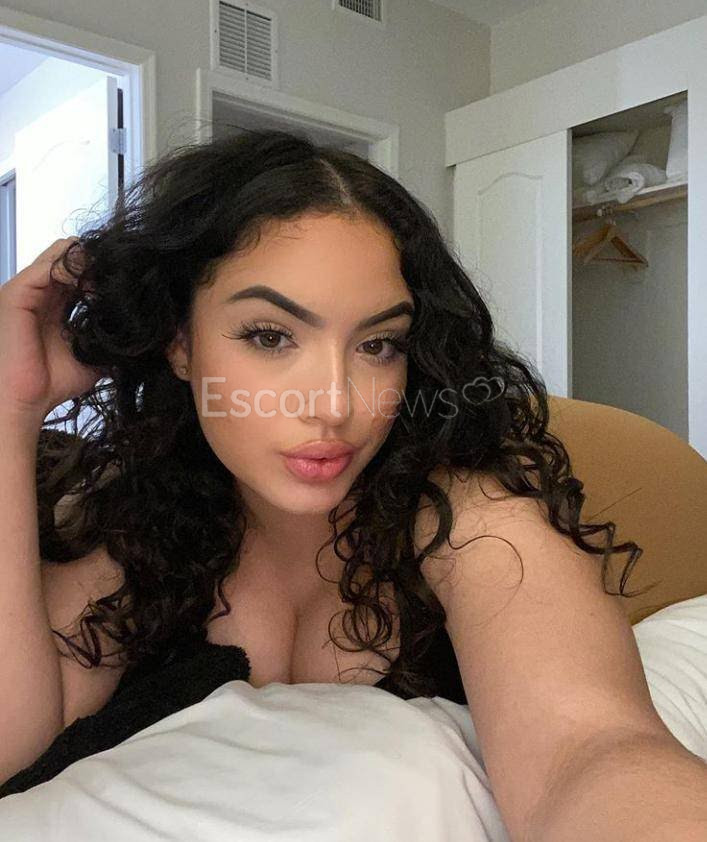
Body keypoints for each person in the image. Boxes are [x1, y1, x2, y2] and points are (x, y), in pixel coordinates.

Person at [0, 129, 650, 805]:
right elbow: (11, 742)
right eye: (270, 336)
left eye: (379, 344)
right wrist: (11, 408)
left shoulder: (470, 513)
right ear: (181, 344)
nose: (336, 405)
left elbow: (595, 751)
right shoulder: (144, 518)